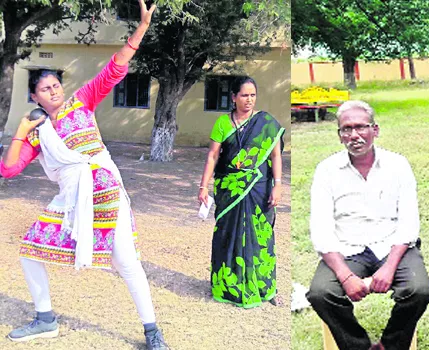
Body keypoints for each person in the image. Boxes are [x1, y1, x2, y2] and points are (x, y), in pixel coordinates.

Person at [0, 1, 168, 349]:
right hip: (70, 198)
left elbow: (114, 69)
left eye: (56, 85)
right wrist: (21, 128)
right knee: (30, 250)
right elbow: (8, 169)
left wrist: (141, 28)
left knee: (126, 262)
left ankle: (152, 332)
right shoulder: (37, 134)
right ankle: (45, 319)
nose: (54, 91)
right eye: (45, 89)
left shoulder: (82, 102)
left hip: (105, 188)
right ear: (34, 96)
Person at [307, 100, 429, 350]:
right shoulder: (327, 170)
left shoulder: (398, 165)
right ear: (339, 135)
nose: (354, 135)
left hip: (392, 246)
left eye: (361, 127)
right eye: (346, 129)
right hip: (347, 249)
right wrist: (345, 276)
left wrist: (388, 268)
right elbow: (321, 229)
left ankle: (389, 345)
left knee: (418, 290)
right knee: (321, 293)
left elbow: (408, 223)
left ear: (375, 130)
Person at [197, 76, 284, 308]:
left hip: (259, 187)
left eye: (253, 95)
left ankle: (263, 286)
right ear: (233, 97)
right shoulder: (222, 123)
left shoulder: (266, 123)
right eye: (244, 95)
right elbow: (213, 156)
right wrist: (204, 186)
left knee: (260, 236)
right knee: (227, 233)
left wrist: (277, 184)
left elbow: (275, 155)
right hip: (230, 188)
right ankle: (227, 285)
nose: (249, 100)